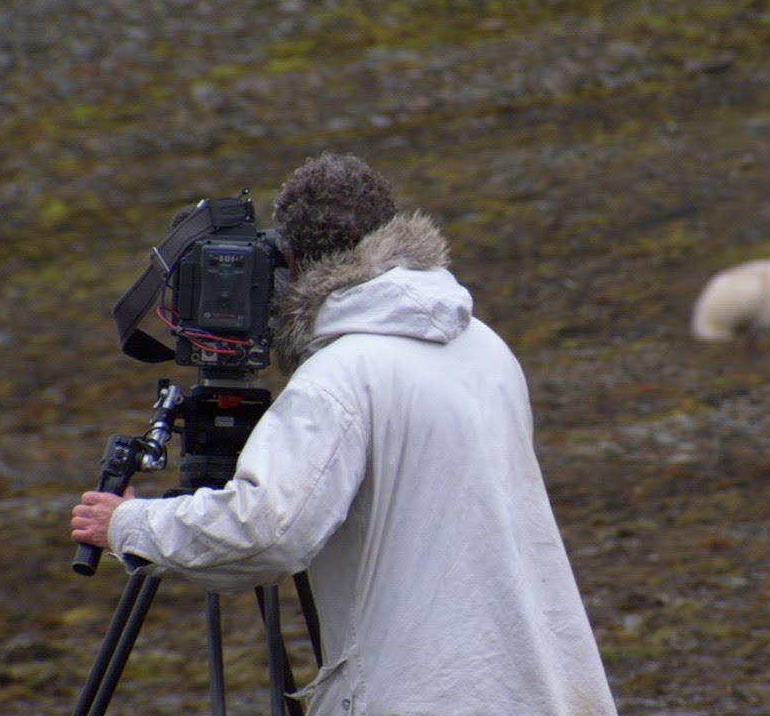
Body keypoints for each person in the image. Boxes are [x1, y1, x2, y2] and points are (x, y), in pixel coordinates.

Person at [71, 153, 618, 715]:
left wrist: (130, 525)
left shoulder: (339, 377)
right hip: (532, 680)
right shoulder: (482, 343)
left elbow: (265, 533)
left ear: (293, 259)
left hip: (428, 694)